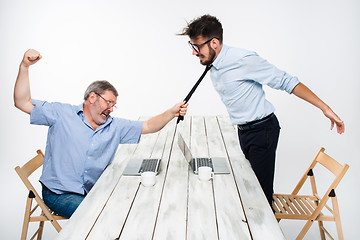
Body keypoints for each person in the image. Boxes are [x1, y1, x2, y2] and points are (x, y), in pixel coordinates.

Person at [179, 15, 344, 206]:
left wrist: (325, 108)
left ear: (214, 42)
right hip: (243, 131)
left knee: (261, 198)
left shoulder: (243, 59)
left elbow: (286, 81)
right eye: (192, 46)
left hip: (262, 132)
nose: (194, 52)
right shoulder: (213, 64)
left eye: (197, 47)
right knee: (250, 189)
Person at [14, 49, 188, 218]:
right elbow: (22, 102)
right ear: (92, 98)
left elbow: (148, 125)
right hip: (59, 194)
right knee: (101, 216)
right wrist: (24, 66)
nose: (111, 109)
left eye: (114, 105)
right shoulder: (61, 114)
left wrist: (171, 113)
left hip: (91, 191)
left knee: (132, 206)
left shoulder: (114, 126)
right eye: (109, 102)